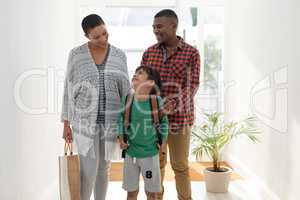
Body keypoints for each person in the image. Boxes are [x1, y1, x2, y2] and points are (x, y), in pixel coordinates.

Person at [61, 14, 130, 200]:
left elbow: (126, 92)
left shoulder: (119, 55)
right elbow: (68, 90)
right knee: (87, 170)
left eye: (105, 33)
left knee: (103, 169)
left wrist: (125, 125)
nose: (103, 39)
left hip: (111, 123)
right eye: (96, 37)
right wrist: (66, 123)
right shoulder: (76, 55)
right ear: (87, 36)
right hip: (83, 123)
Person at [141, 9, 201, 200]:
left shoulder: (191, 53)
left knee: (180, 166)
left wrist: (172, 104)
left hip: (179, 119)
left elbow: (192, 85)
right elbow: (142, 83)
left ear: (173, 26)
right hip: (154, 121)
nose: (155, 30)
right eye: (153, 27)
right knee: (155, 165)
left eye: (159, 27)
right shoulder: (149, 52)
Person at [118, 66, 169, 200]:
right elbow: (121, 120)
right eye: (135, 73)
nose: (135, 75)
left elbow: (164, 122)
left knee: (151, 193)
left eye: (140, 73)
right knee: (131, 193)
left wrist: (163, 141)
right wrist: (121, 138)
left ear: (150, 83)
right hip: (131, 155)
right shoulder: (128, 100)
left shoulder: (156, 101)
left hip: (150, 156)